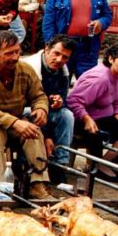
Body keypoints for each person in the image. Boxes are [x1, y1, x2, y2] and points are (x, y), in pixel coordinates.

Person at [0, 30, 52, 200]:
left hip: (15, 120)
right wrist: (15, 122)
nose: (15, 57)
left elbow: (38, 95)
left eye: (17, 51)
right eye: (9, 53)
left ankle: (37, 184)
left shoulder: (25, 69)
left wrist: (41, 109)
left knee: (33, 131)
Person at [67, 42, 118, 182]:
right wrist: (86, 118)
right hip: (83, 122)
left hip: (105, 117)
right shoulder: (99, 78)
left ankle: (116, 165)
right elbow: (73, 101)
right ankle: (101, 166)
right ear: (111, 59)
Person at [42, 0, 113, 77]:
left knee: (87, 87)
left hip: (88, 47)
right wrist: (50, 47)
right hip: (63, 47)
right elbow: (48, 24)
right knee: (59, 86)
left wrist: (101, 23)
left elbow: (108, 16)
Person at [21, 35, 76, 181]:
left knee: (67, 115)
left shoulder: (63, 71)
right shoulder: (29, 67)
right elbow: (23, 101)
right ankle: (34, 163)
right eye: (56, 54)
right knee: (34, 113)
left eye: (65, 57)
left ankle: (60, 164)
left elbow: (63, 98)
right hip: (24, 112)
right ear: (46, 48)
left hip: (48, 113)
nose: (59, 60)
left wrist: (59, 102)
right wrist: (47, 135)